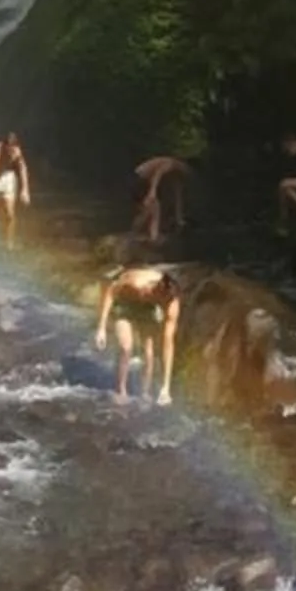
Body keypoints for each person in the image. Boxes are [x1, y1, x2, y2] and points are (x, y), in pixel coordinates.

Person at [94, 266, 183, 407]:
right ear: (158, 289)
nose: (165, 302)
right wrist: (101, 328)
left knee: (149, 352)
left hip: (148, 308)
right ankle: (120, 390)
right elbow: (111, 291)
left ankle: (145, 392)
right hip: (124, 303)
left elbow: (168, 343)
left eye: (168, 300)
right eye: (163, 298)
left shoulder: (171, 303)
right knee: (126, 347)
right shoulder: (135, 283)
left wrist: (166, 388)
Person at [131, 154, 192, 243]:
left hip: (144, 181)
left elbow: (178, 195)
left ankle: (145, 234)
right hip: (138, 178)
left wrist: (179, 218)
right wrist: (152, 192)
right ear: (183, 163)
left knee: (149, 210)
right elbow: (157, 174)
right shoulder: (171, 163)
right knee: (154, 208)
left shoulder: (177, 174)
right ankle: (152, 237)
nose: (187, 172)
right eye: (187, 169)